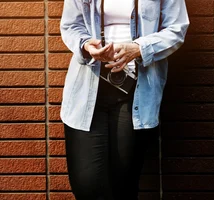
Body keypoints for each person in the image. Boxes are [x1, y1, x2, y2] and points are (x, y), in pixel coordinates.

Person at [59, 0, 189, 199]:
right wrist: (86, 46)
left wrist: (138, 48)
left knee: (124, 186)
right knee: (87, 186)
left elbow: (177, 29)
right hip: (88, 89)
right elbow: (70, 25)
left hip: (136, 92)